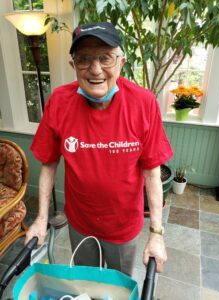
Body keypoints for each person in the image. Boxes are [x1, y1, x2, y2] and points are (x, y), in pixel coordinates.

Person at [25, 21, 173, 276]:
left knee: (117, 287)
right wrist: (40, 219)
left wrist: (156, 233)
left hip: (123, 228)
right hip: (80, 223)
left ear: (121, 62)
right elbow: (49, 163)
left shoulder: (143, 103)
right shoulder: (59, 101)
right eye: (84, 59)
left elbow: (152, 173)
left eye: (105, 58)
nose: (95, 70)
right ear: (73, 65)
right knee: (86, 283)